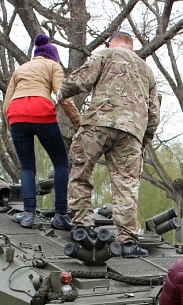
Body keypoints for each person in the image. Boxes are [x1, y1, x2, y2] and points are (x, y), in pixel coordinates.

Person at [58, 31, 161, 258]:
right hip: (132, 132)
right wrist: (143, 139)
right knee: (126, 185)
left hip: (99, 123)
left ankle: (82, 226)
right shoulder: (147, 71)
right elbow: (154, 112)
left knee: (81, 172)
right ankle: (127, 241)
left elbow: (82, 79)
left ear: (112, 42)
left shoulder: (105, 55)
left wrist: (61, 92)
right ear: (131, 47)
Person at [4, 34, 81, 230]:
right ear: (53, 56)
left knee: (27, 167)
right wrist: (78, 122)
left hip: (16, 115)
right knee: (61, 162)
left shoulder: (20, 69)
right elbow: (62, 95)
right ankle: (61, 214)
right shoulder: (53, 66)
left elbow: (6, 103)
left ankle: (28, 214)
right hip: (41, 112)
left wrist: (10, 125)